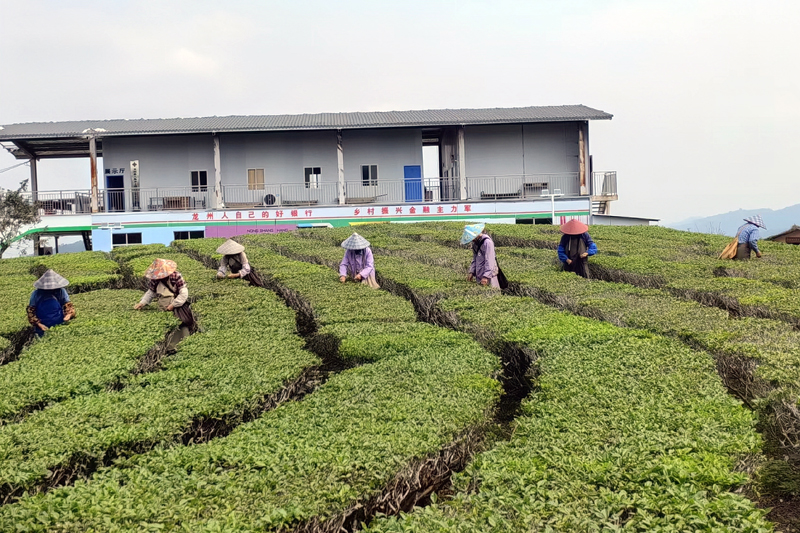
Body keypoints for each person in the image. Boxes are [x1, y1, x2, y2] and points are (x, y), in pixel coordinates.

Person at [133, 258, 195, 354]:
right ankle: (169, 348)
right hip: (163, 305)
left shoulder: (176, 276)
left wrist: (173, 305)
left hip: (176, 304)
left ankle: (183, 346)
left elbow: (184, 292)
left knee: (180, 324)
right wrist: (142, 302)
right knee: (167, 326)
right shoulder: (155, 279)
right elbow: (151, 292)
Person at [27, 269, 76, 337]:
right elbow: (31, 312)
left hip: (59, 322)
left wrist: (68, 315)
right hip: (42, 325)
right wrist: (39, 324)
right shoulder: (36, 294)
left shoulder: (60, 291)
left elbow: (68, 305)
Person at [461, 223, 500, 288]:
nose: (472, 240)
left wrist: (486, 276)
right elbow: (475, 259)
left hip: (489, 277)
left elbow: (490, 261)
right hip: (479, 275)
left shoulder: (487, 242)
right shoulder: (475, 244)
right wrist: (471, 272)